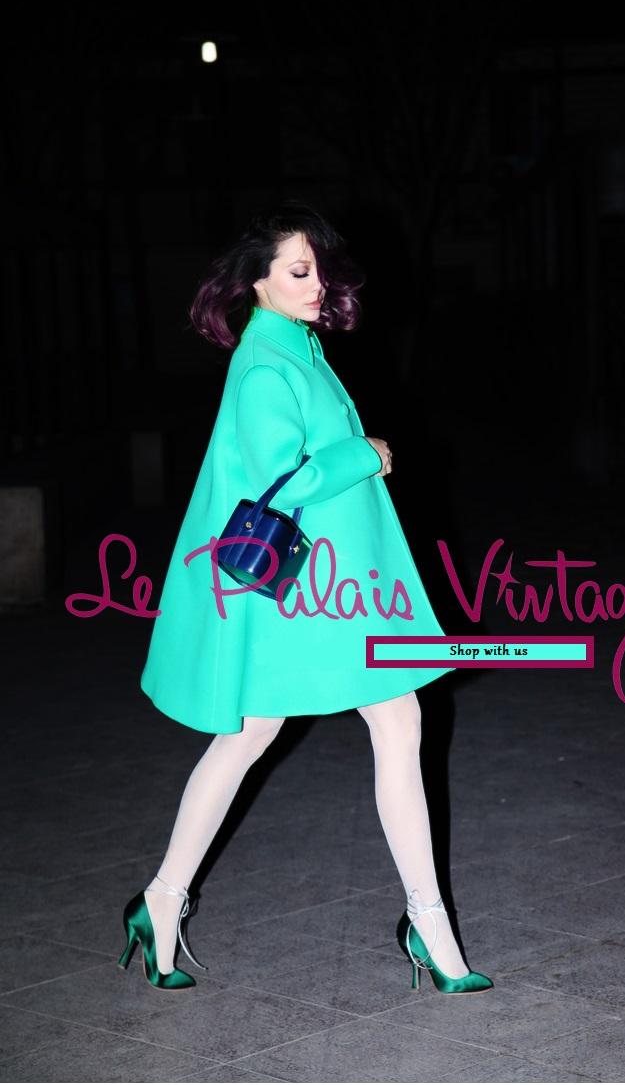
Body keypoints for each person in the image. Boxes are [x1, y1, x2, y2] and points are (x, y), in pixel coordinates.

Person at [118, 202, 493, 996]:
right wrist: (365, 455)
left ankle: (423, 921)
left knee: (359, 722)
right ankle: (165, 900)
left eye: (319, 267)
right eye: (298, 270)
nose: (317, 282)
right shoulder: (265, 362)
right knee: (264, 732)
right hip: (306, 588)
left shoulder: (297, 343)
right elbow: (277, 481)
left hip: (327, 580)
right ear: (255, 280)